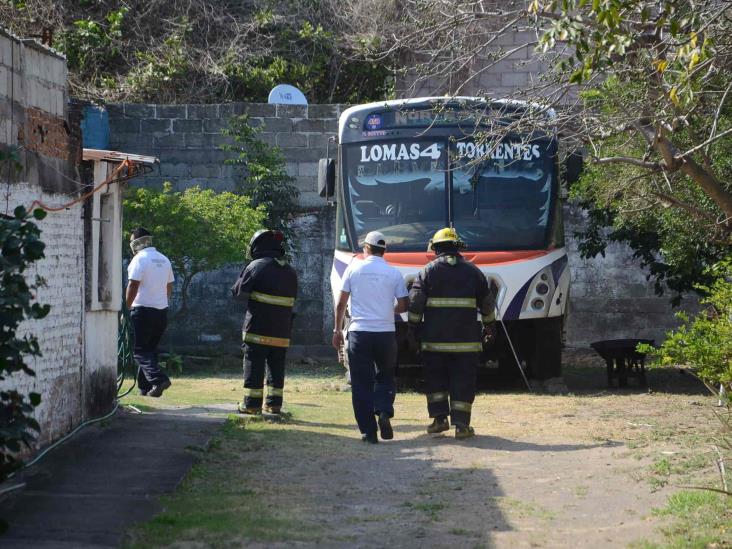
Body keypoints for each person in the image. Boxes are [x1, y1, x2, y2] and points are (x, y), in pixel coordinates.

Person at [407, 227, 497, 439]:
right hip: (466, 343)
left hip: (434, 342)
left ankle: (439, 421)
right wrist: (490, 327)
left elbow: (415, 304)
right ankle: (462, 426)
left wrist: (412, 330)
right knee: (463, 381)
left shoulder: (427, 271)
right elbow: (487, 304)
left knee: (435, 379)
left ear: (436, 248)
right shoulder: (474, 272)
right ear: (457, 247)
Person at [332, 231, 409, 444]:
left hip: (359, 333)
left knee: (361, 382)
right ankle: (383, 411)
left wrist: (337, 330)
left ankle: (368, 432)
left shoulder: (353, 269)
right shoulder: (393, 273)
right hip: (385, 333)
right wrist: (388, 310)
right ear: (384, 250)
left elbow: (340, 303)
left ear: (366, 248)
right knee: (385, 375)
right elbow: (404, 304)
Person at [231, 230, 298, 415]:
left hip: (257, 329)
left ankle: (251, 406)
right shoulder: (290, 271)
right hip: (282, 331)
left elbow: (238, 293)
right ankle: (274, 404)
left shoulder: (256, 266)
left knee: (254, 365)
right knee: (276, 367)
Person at [126, 227, 174, 398]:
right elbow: (169, 287)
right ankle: (145, 388)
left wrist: (127, 306)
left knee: (140, 352)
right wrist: (161, 302)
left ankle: (159, 379)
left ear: (136, 243)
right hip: (161, 312)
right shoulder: (164, 259)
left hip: (142, 310)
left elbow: (133, 284)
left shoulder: (139, 259)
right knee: (150, 350)